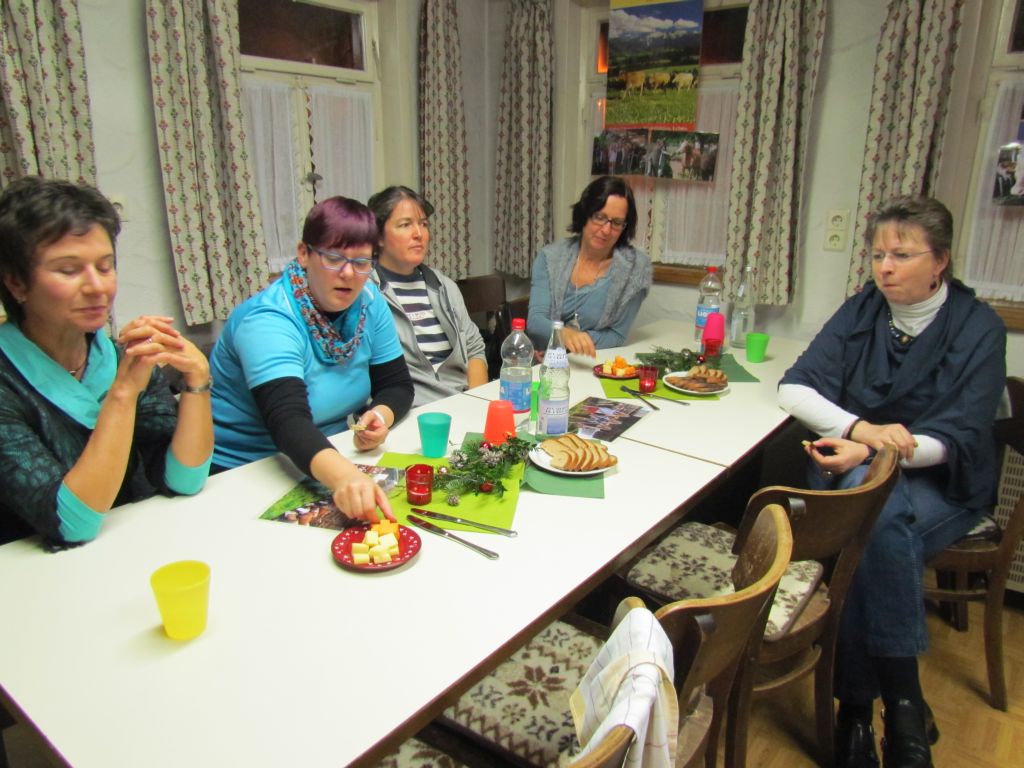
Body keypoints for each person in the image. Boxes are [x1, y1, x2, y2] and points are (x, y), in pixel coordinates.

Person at [778, 196, 1006, 768]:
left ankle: (857, 709)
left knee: (867, 524)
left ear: (940, 261)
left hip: (941, 481)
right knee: (871, 508)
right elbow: (794, 387)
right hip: (858, 471)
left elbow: (959, 436)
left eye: (901, 255)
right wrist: (863, 432)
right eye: (878, 254)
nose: (884, 267)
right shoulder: (862, 310)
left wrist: (873, 451)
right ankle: (905, 708)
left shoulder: (979, 327)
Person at [0, 176, 213, 548]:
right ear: (17, 283)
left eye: (105, 266)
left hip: (120, 546)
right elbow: (70, 524)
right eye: (68, 270)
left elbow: (183, 479)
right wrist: (123, 393)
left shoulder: (116, 357)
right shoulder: (8, 380)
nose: (97, 287)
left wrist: (197, 381)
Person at [210, 196, 414, 523]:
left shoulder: (370, 302)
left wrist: (378, 416)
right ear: (304, 254)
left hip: (330, 453)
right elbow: (288, 420)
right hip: (246, 469)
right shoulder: (268, 318)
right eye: (334, 258)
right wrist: (344, 476)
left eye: (362, 262)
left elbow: (397, 385)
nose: (349, 273)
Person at [366, 186, 487, 406]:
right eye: (405, 225)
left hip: (462, 402)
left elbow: (474, 348)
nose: (419, 234)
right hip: (405, 410)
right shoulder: (366, 292)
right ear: (379, 237)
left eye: (423, 224)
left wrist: (477, 403)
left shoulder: (443, 286)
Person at [527, 176, 652, 357]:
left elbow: (617, 335)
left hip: (591, 362)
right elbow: (535, 322)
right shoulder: (550, 257)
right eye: (599, 217)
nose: (606, 230)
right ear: (584, 214)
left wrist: (566, 343)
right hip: (544, 363)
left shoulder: (636, 269)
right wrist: (564, 335)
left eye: (616, 223)